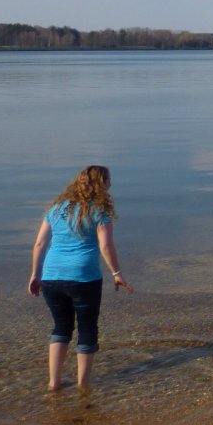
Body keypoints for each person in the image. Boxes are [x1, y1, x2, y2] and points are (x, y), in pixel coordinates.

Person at [28, 165, 133, 391]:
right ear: (100, 184)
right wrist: (117, 273)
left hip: (51, 277)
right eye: (108, 181)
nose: (111, 185)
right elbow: (105, 245)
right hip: (84, 278)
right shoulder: (99, 212)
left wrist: (35, 274)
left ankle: (53, 383)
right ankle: (83, 386)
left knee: (61, 328)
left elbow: (39, 243)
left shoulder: (55, 209)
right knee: (86, 329)